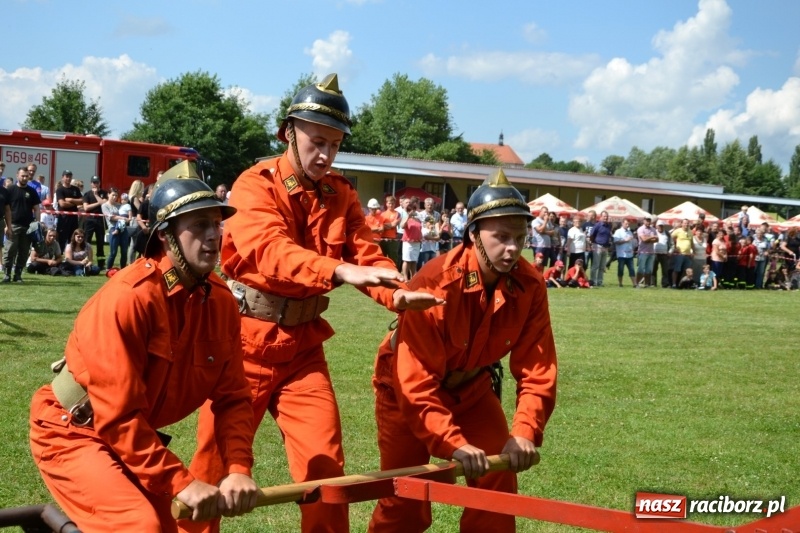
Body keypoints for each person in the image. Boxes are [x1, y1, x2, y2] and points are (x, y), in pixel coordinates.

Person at [183, 73, 441, 533]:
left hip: (303, 349)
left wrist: (397, 294)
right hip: (241, 345)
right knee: (212, 470)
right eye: (316, 142)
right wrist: (337, 270)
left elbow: (367, 255)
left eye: (334, 145)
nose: (325, 155)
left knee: (326, 471)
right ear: (288, 133)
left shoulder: (341, 193)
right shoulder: (255, 185)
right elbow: (270, 249)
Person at [29, 166, 260, 532]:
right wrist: (182, 482)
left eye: (217, 224)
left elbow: (232, 398)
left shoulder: (220, 302)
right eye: (199, 225)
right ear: (165, 235)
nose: (213, 235)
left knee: (168, 526)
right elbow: (118, 415)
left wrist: (238, 468)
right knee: (140, 525)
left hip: (132, 436)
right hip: (72, 430)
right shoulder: (129, 298)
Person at [369, 168, 557, 532]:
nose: (512, 248)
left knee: (497, 483)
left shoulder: (530, 285)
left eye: (520, 237)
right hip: (403, 393)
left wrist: (524, 431)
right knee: (406, 499)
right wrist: (451, 442)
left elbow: (538, 367)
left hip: (472, 390)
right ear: (473, 234)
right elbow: (415, 382)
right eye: (501, 237)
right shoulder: (436, 282)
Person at [3, 167, 41, 283]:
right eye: (22, 176)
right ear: (17, 176)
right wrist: (7, 226)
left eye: (26, 176)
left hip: (28, 227)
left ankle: (18, 275)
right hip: (13, 225)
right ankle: (7, 275)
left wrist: (37, 223)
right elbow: (6, 209)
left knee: (24, 252)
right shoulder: (10, 190)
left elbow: (36, 208)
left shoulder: (32, 191)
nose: (25, 178)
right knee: (10, 250)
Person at [55, 170, 82, 251]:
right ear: (62, 177)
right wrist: (75, 203)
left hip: (74, 218)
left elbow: (82, 201)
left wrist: (71, 200)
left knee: (73, 238)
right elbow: (62, 204)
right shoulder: (60, 190)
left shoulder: (76, 189)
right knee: (62, 238)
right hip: (63, 218)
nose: (68, 178)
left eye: (70, 176)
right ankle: (60, 254)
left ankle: (72, 254)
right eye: (67, 176)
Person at [102, 188, 129, 270]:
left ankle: (123, 269)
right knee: (113, 252)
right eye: (113, 195)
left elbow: (126, 215)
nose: (114, 197)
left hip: (123, 229)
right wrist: (122, 218)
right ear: (108, 195)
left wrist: (124, 218)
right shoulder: (104, 206)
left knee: (124, 251)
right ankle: (108, 269)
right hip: (113, 229)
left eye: (116, 195)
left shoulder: (120, 205)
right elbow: (111, 217)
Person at [82, 176, 108, 260]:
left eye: (97, 182)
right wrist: (99, 203)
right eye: (94, 182)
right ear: (91, 184)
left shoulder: (104, 193)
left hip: (100, 219)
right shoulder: (87, 194)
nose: (95, 184)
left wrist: (96, 195)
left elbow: (105, 204)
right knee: (87, 239)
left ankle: (100, 259)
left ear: (99, 183)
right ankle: (86, 257)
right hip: (89, 219)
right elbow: (86, 208)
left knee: (100, 240)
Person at [401, 197, 423, 279]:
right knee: (407, 261)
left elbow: (420, 229)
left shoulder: (418, 219)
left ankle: (413, 277)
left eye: (414, 209)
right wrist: (408, 216)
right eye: (411, 210)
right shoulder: (406, 218)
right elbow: (402, 226)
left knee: (414, 261)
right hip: (408, 242)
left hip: (417, 242)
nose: (413, 211)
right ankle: (405, 278)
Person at [589, 211, 612, 286]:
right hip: (598, 246)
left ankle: (599, 281)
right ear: (601, 217)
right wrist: (594, 243)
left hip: (605, 247)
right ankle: (593, 281)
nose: (606, 218)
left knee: (602, 266)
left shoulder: (608, 225)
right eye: (604, 216)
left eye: (606, 216)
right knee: (596, 265)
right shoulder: (597, 225)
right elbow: (591, 235)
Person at [670, 219, 694, 288]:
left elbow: (691, 243)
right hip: (679, 254)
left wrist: (693, 252)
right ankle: (674, 284)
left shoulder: (690, 231)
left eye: (687, 223)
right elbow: (670, 238)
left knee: (686, 271)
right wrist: (674, 247)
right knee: (676, 270)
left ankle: (681, 284)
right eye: (685, 223)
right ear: (682, 224)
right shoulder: (678, 231)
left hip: (688, 254)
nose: (686, 224)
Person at [613, 219, 636, 287]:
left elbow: (631, 242)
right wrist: (625, 240)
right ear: (622, 223)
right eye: (626, 224)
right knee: (621, 269)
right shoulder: (618, 232)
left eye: (628, 224)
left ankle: (634, 284)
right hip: (621, 255)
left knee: (632, 269)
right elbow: (616, 242)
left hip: (629, 255)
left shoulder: (629, 232)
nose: (627, 225)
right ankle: (620, 283)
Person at [635, 217, 658, 287]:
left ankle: (647, 284)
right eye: (647, 221)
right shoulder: (640, 229)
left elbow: (657, 239)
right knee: (641, 269)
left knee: (649, 269)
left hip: (651, 252)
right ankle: (637, 284)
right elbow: (644, 239)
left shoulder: (653, 229)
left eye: (649, 221)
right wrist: (652, 237)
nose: (648, 222)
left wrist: (648, 238)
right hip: (643, 252)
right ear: (644, 221)